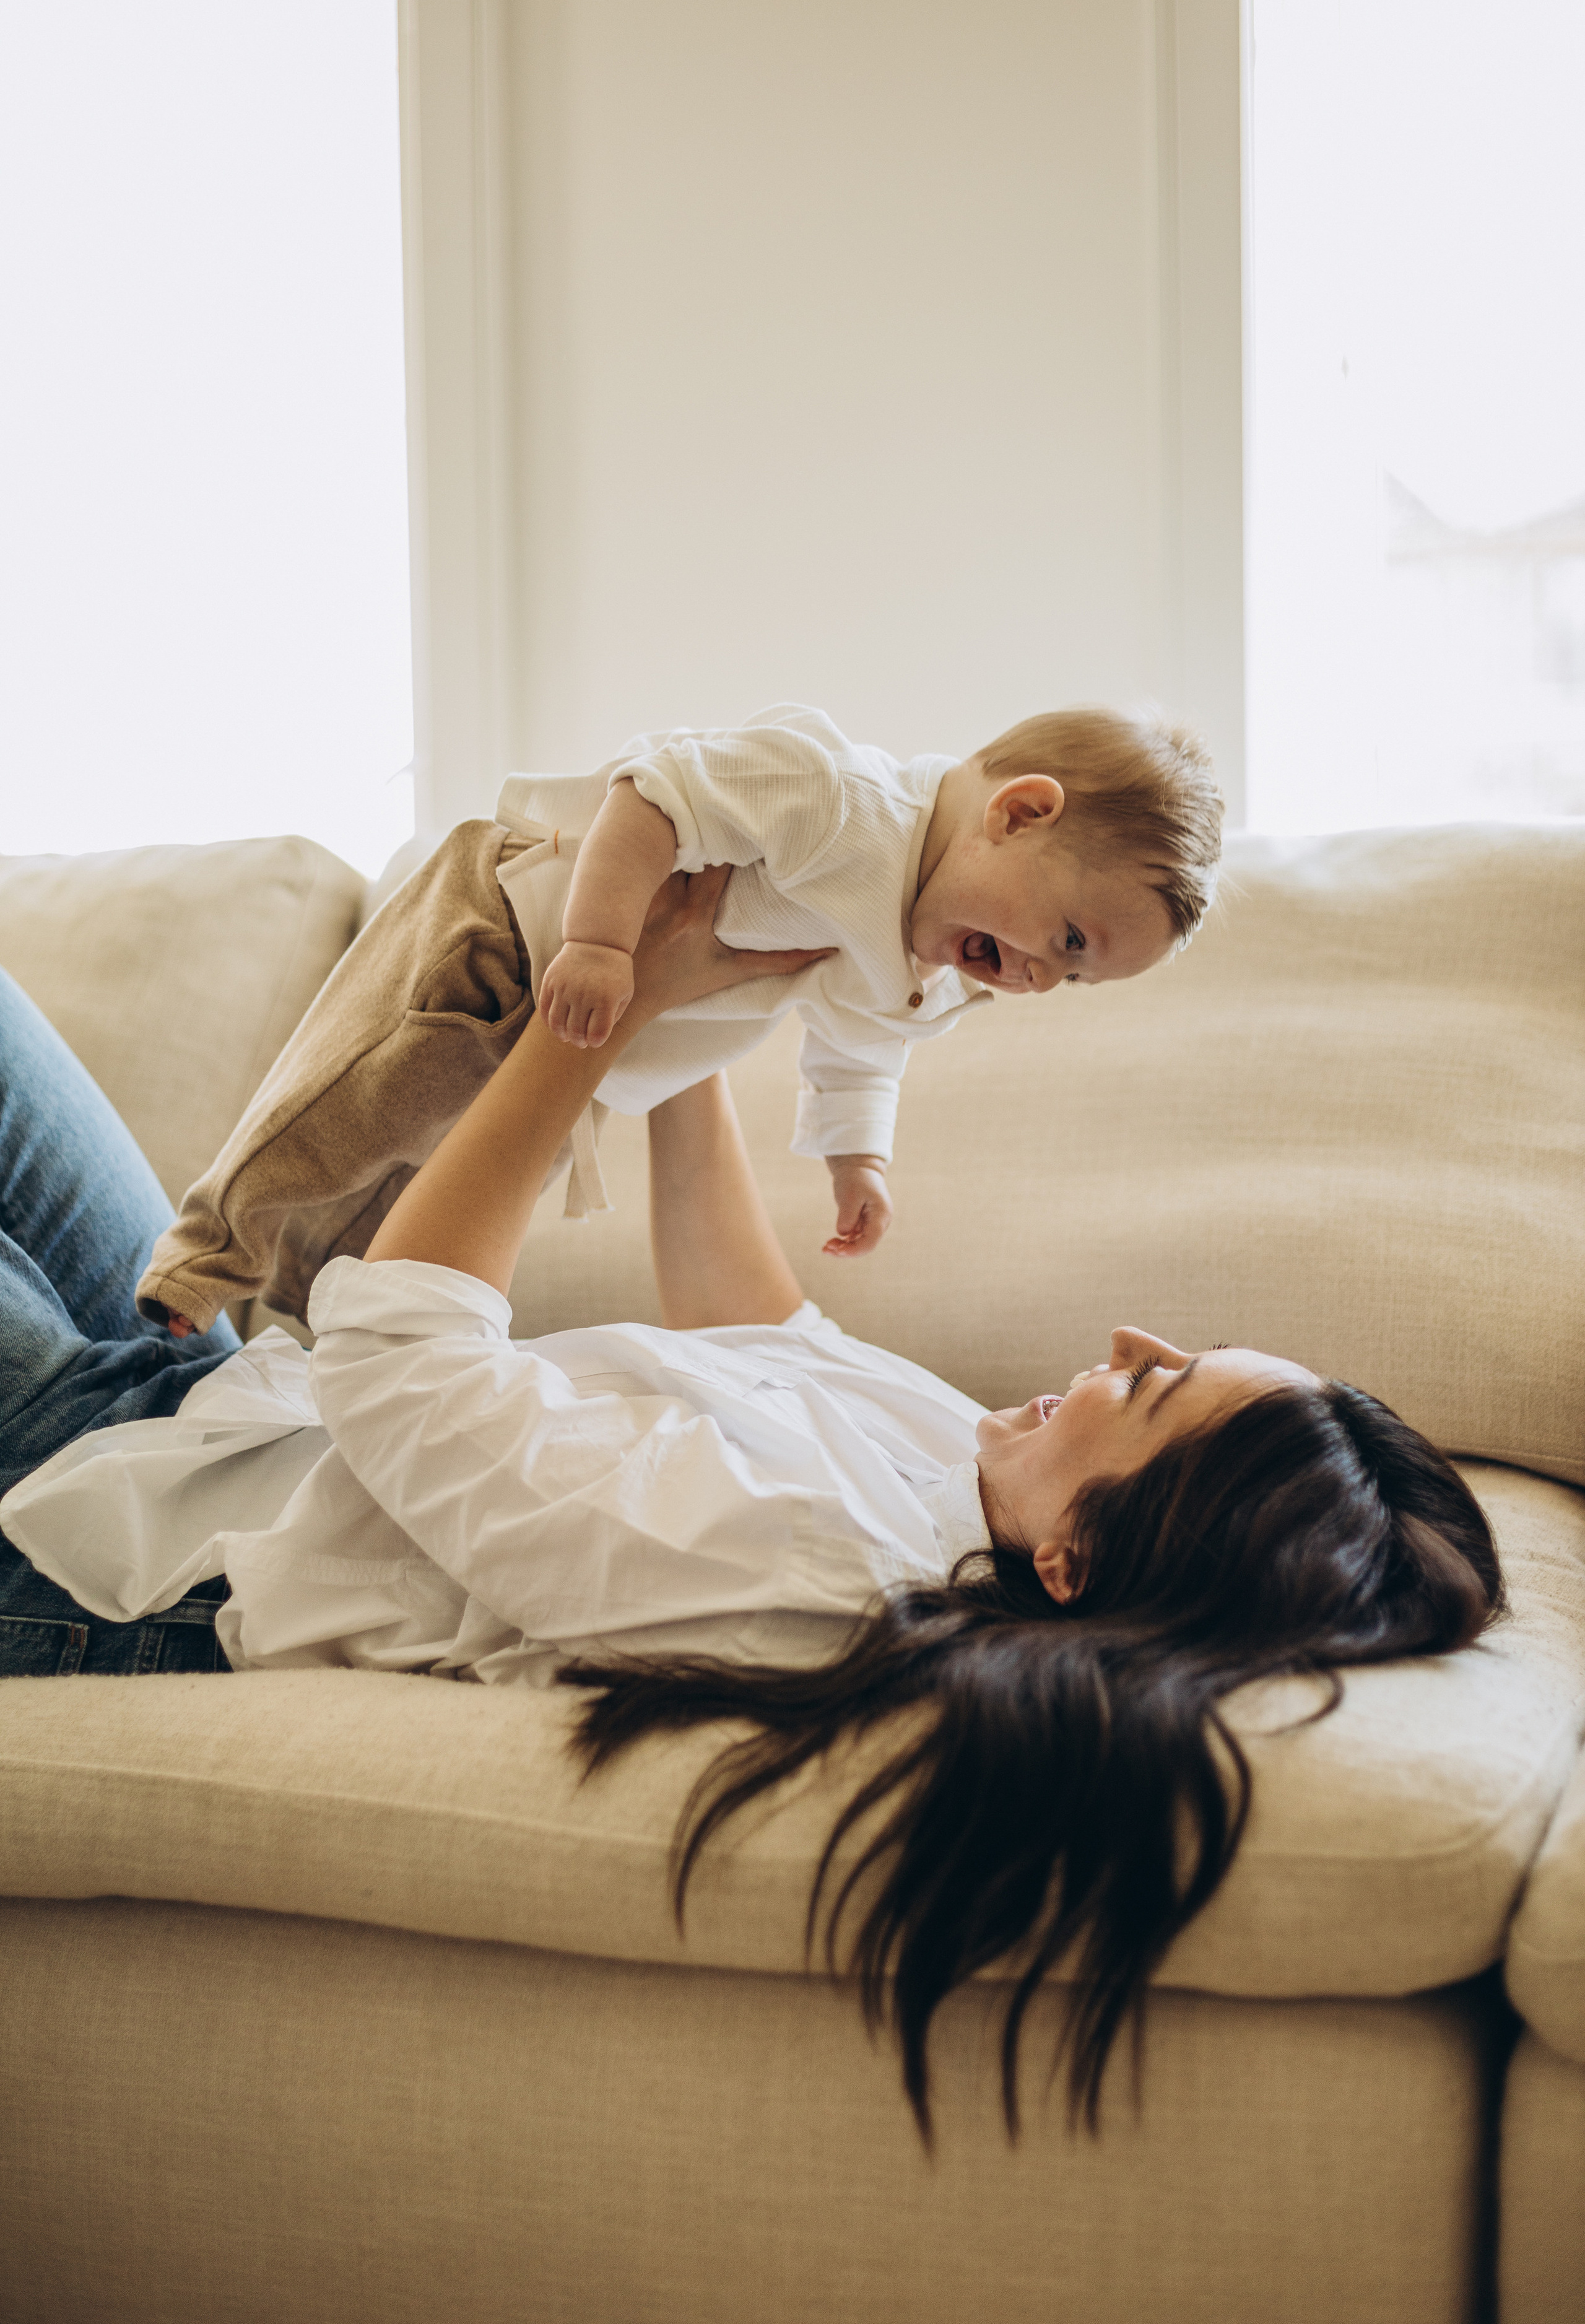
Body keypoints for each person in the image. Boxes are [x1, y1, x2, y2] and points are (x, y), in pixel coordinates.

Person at [0, 874, 1501, 2133]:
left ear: (1077, 1559)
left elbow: (402, 1360)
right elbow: (755, 1330)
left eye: (1159, 1391)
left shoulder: (816, 1568)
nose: (1127, 1345)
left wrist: (591, 1030)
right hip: (214, 1400)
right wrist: (695, 1018)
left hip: (103, 1538)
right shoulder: (969, 1467)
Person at [132, 701, 1223, 1338]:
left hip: (585, 1054)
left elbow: (861, 1053)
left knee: (388, 1220)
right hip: (506, 933)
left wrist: (860, 1161)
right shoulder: (840, 796)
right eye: (1068, 939)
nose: (1037, 978)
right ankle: (202, 1259)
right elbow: (653, 796)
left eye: (1072, 981)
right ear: (1020, 812)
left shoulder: (927, 975)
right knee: (353, 1106)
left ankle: (273, 1342)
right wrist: (604, 944)